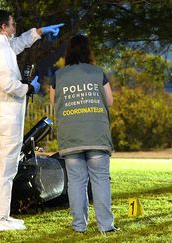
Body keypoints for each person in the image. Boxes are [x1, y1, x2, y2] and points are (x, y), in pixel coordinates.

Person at [0, 10, 63, 232]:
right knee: (6, 166)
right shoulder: (2, 50)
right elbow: (9, 85)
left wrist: (38, 32)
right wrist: (29, 87)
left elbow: (15, 45)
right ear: (4, 27)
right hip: (7, 114)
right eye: (12, 23)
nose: (14, 26)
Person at [49, 35, 117, 233]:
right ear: (88, 51)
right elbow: (110, 101)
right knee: (100, 179)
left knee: (76, 182)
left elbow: (54, 102)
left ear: (68, 52)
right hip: (96, 134)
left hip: (71, 136)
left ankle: (79, 226)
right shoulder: (97, 73)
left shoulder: (58, 76)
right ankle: (106, 226)